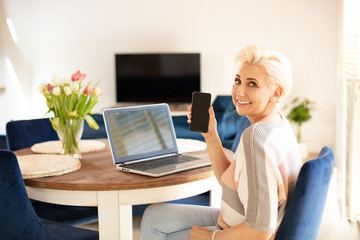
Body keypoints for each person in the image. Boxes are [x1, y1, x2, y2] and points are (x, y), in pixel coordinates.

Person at [140, 45, 302, 240]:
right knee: (154, 216)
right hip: (235, 220)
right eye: (238, 81)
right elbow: (230, 182)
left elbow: (261, 230)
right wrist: (211, 135)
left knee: (161, 232)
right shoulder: (278, 123)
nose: (239, 91)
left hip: (242, 232)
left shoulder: (256, 138)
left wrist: (212, 237)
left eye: (252, 84)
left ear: (276, 93)